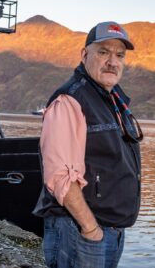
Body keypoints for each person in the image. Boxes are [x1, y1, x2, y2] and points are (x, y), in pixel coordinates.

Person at [33, 21, 143, 268]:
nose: (112, 62)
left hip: (108, 232)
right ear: (85, 55)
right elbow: (59, 176)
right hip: (81, 231)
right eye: (103, 52)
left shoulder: (112, 100)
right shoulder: (71, 100)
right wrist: (91, 229)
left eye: (119, 55)